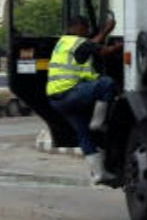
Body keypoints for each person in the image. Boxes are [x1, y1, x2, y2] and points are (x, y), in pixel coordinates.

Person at [47, 15, 122, 184]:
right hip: (70, 93)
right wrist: (121, 44)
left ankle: (99, 174)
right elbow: (102, 51)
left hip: (57, 100)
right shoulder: (77, 42)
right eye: (86, 27)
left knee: (84, 134)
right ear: (78, 27)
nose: (87, 31)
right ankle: (99, 122)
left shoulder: (63, 43)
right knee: (107, 84)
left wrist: (103, 36)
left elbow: (92, 46)